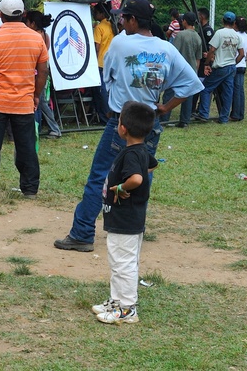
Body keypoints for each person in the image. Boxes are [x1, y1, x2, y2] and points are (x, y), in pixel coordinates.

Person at [55, 0, 202, 252]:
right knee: (140, 176)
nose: (120, 22)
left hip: (121, 122)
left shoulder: (121, 42)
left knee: (100, 176)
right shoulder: (166, 48)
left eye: (123, 18)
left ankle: (82, 233)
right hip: (149, 123)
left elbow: (108, 75)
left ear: (133, 20)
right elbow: (191, 83)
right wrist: (165, 107)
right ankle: (133, 231)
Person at [0, 0, 49, 199]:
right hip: (24, 102)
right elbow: (42, 72)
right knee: (26, 147)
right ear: (23, 15)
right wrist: (35, 95)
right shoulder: (36, 39)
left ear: (2, 16)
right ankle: (30, 189)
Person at [92, 101, 158, 325]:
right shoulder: (141, 150)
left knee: (123, 264)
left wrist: (121, 187)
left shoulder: (131, 154)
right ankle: (116, 301)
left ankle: (127, 308)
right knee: (119, 262)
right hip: (125, 219)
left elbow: (137, 179)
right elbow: (151, 165)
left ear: (122, 129)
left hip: (125, 220)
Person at [194, 11, 244, 125]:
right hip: (231, 67)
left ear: (223, 20)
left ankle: (203, 113)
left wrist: (206, 63)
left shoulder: (219, 33)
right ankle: (224, 118)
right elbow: (241, 54)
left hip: (220, 66)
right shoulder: (237, 35)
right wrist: (233, 62)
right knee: (228, 92)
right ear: (234, 22)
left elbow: (212, 49)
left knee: (206, 88)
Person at [25, 11, 61, 138]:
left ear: (33, 24)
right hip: (44, 70)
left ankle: (54, 129)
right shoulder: (45, 35)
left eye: (28, 22)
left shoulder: (34, 37)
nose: (26, 25)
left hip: (37, 72)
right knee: (41, 102)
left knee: (40, 102)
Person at [169, 12, 202, 128]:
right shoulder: (198, 36)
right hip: (192, 69)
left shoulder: (181, 35)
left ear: (184, 21)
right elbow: (198, 58)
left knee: (169, 93)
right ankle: (185, 120)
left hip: (178, 70)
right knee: (187, 96)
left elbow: (173, 53)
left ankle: (164, 117)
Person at [91, 3, 115, 124]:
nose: (94, 14)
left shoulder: (99, 27)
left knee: (101, 91)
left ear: (102, 13)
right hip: (112, 62)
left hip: (101, 62)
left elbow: (97, 47)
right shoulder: (113, 26)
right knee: (110, 90)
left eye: (95, 12)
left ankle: (104, 117)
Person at [230, 16, 247, 122]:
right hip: (243, 65)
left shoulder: (235, 36)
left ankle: (235, 114)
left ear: (235, 25)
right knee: (240, 91)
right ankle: (240, 113)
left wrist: (233, 63)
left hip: (236, 64)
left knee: (235, 91)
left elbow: (241, 53)